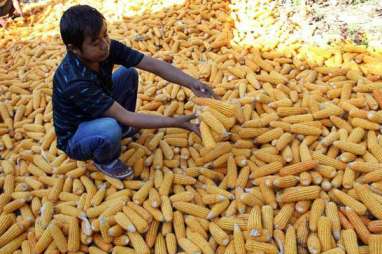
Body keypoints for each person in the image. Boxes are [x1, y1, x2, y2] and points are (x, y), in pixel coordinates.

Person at [53, 5, 216, 179]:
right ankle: (106, 160)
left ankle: (121, 131)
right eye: (95, 42)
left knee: (128, 74)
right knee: (109, 127)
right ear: (74, 49)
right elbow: (127, 116)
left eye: (105, 34)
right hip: (77, 135)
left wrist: (192, 83)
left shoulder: (106, 49)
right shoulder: (75, 82)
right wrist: (176, 122)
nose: (105, 44)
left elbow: (153, 65)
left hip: (96, 107)